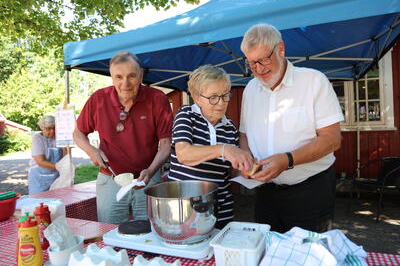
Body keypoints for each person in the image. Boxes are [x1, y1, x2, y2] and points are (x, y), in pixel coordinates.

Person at [239, 24, 344, 233]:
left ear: (281, 49)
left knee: (309, 257)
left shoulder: (314, 81)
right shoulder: (250, 89)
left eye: (263, 59)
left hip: (310, 192)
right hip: (265, 192)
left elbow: (332, 139)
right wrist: (246, 160)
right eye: (251, 63)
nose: (258, 69)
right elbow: (244, 134)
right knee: (268, 253)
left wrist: (287, 160)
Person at [73, 51, 173, 224]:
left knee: (150, 231)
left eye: (131, 76)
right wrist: (92, 151)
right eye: (118, 77)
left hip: (147, 178)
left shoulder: (157, 98)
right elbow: (78, 133)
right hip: (111, 178)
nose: (125, 83)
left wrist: (151, 171)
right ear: (111, 77)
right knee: (109, 231)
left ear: (141, 74)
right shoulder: (99, 99)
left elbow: (166, 144)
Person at [168, 65, 254, 229]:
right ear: (197, 97)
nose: (221, 103)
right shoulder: (187, 115)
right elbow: (183, 154)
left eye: (225, 95)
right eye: (213, 97)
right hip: (185, 210)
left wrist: (247, 169)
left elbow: (230, 172)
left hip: (220, 210)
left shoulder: (230, 128)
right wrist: (223, 149)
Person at [28, 114, 66, 194]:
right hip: (39, 177)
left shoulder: (60, 137)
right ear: (42, 128)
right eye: (49, 128)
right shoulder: (37, 138)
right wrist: (61, 166)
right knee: (39, 202)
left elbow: (65, 156)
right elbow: (40, 161)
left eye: (54, 128)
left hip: (55, 176)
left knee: (56, 201)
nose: (52, 131)